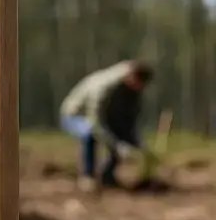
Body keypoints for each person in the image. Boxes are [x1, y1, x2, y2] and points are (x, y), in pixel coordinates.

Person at [59, 60, 154, 190]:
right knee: (89, 133)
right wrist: (117, 145)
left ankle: (107, 176)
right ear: (132, 77)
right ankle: (88, 177)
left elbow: (129, 121)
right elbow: (94, 122)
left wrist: (138, 144)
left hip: (104, 118)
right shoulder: (104, 86)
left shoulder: (134, 90)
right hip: (76, 115)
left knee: (120, 136)